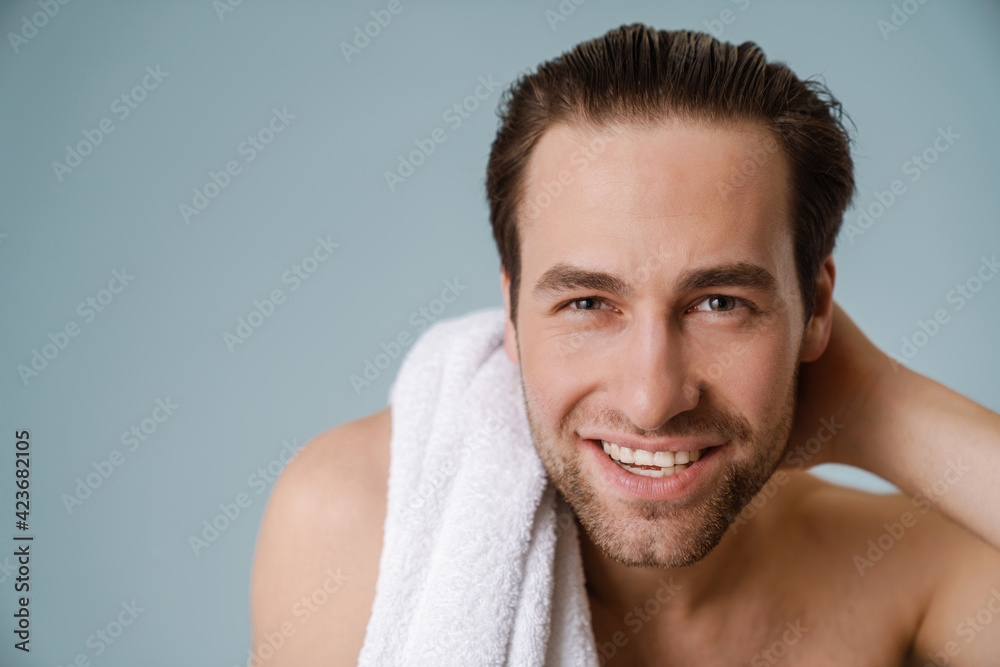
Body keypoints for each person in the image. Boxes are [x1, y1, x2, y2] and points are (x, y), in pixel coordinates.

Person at [249, 24, 1000, 665]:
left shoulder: (906, 573)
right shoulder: (351, 525)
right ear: (510, 313)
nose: (651, 397)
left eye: (719, 302)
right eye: (587, 302)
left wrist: (879, 404)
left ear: (816, 308)